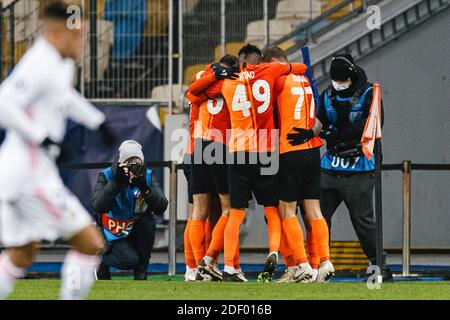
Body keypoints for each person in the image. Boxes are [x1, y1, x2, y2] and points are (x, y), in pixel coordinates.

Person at [0, 1, 116, 300]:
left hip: (24, 172)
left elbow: (64, 95)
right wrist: (43, 138)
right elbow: (4, 103)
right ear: (55, 32)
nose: (83, 43)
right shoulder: (39, 62)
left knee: (22, 254)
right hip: (29, 174)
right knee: (90, 243)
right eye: (77, 37)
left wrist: (97, 120)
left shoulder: (60, 63)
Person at [190, 44, 308, 282]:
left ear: (240, 61)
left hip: (236, 151)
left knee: (234, 212)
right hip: (265, 149)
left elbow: (193, 94)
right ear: (259, 61)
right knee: (273, 209)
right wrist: (274, 67)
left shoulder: (228, 81)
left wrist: (216, 72)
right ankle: (275, 252)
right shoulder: (270, 72)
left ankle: (228, 267)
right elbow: (302, 67)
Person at [317, 53, 392, 281]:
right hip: (330, 164)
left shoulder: (370, 94)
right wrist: (312, 131)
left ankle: (379, 266)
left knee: (363, 221)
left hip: (359, 166)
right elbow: (319, 121)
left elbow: (368, 126)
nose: (338, 85)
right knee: (317, 216)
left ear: (350, 77)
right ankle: (319, 263)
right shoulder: (326, 95)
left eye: (342, 81)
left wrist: (337, 133)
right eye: (335, 81)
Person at [264, 46, 335, 283]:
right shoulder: (304, 79)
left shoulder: (279, 81)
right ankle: (325, 262)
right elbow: (316, 118)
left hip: (290, 150)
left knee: (287, 210)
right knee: (314, 210)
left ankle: (302, 265)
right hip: (312, 149)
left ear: (274, 63)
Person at [184, 55, 241, 282]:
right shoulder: (233, 81)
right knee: (227, 209)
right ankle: (211, 263)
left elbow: (191, 94)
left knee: (201, 211)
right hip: (220, 145)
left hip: (196, 146)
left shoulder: (202, 75)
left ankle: (195, 268)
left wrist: (213, 79)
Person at [92, 140, 168, 280]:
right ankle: (100, 261)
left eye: (137, 163)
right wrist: (115, 183)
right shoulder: (108, 175)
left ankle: (141, 270)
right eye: (130, 163)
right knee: (129, 260)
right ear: (121, 163)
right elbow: (98, 206)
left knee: (148, 222)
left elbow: (161, 206)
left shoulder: (146, 176)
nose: (134, 167)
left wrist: (145, 188)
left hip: (135, 229)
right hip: (112, 234)